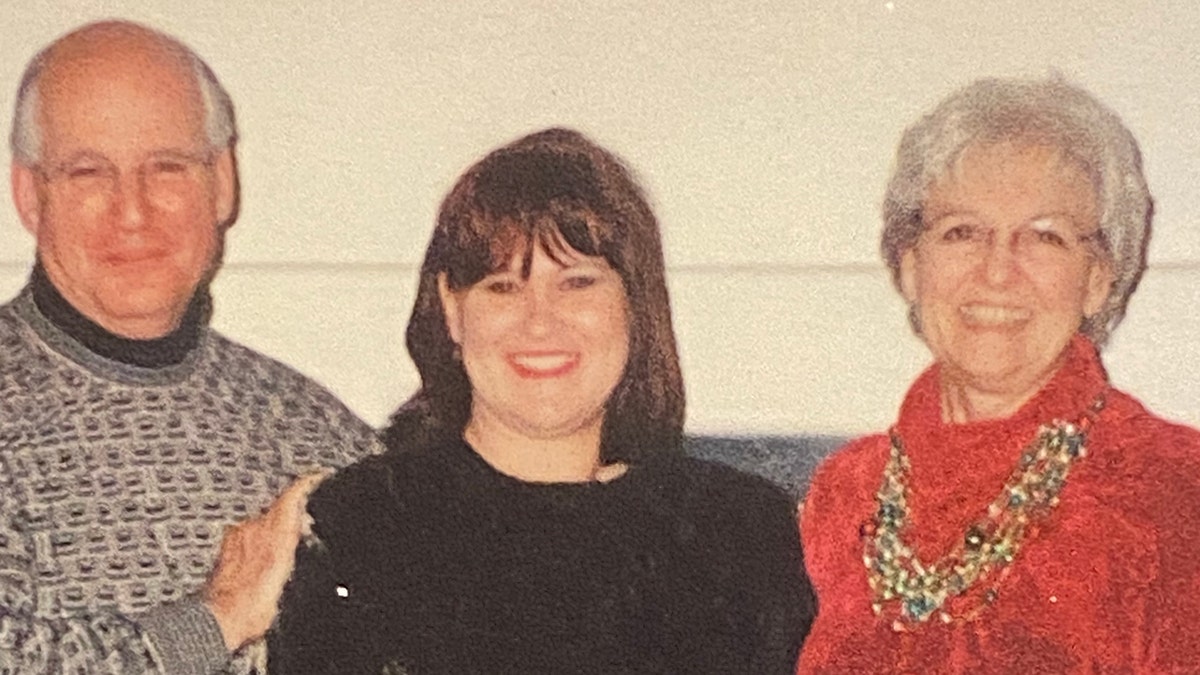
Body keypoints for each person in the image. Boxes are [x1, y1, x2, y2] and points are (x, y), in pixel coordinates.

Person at [267, 127, 816, 674]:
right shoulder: (361, 524)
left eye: (577, 283)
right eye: (502, 287)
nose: (540, 320)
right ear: (452, 310)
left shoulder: (738, 532)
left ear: (633, 306)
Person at [0, 20, 378, 675]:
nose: (133, 211)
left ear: (223, 180)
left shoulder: (318, 435)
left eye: (166, 167)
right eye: (89, 172)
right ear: (29, 194)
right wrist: (215, 619)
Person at [798, 76, 1200, 673]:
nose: (997, 272)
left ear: (1096, 280)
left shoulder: (1175, 490)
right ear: (911, 266)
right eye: (962, 231)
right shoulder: (842, 493)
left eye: (1045, 236)